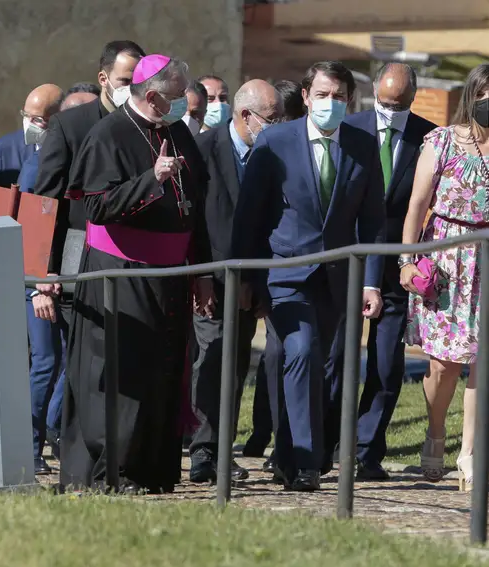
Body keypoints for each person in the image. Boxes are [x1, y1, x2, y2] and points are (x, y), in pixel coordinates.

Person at [61, 54, 214, 494]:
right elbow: (95, 206)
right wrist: (151, 179)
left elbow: (195, 208)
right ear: (151, 95)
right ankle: (113, 473)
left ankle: (152, 473)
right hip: (120, 273)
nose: (183, 107)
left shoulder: (176, 130)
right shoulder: (107, 134)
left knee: (163, 370)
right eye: (175, 98)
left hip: (170, 274)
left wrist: (200, 271)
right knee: (122, 375)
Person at [231, 61, 385, 492]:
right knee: (300, 351)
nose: (329, 103)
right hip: (284, 273)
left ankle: (286, 458)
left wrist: (371, 280)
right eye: (322, 94)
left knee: (319, 364)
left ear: (349, 100)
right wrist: (245, 275)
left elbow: (371, 220)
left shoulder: (363, 145)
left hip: (335, 278)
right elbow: (250, 214)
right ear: (305, 96)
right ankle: (304, 462)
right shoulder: (276, 141)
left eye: (338, 96)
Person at [400, 63, 489, 491]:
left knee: (487, 362)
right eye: (482, 96)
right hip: (446, 263)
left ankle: (470, 455)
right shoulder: (440, 142)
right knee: (444, 364)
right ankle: (436, 433)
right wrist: (407, 260)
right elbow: (416, 204)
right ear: (469, 97)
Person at [31, 40, 144, 465]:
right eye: (124, 82)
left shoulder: (145, 125)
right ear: (103, 79)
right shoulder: (70, 126)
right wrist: (43, 273)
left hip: (134, 261)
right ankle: (68, 443)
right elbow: (46, 204)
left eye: (138, 82)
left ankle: (115, 449)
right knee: (80, 362)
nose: (131, 90)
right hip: (77, 259)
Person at [334, 63, 437, 481]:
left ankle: (365, 450)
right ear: (373, 90)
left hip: (398, 263)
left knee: (385, 363)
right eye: (384, 103)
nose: (390, 112)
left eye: (400, 105)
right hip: (346, 258)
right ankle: (325, 443)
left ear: (413, 98)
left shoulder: (428, 138)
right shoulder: (346, 128)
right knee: (335, 358)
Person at [189, 79, 282, 484]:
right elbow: (195, 222)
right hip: (211, 279)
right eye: (273, 118)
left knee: (237, 364)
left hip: (250, 283)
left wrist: (259, 284)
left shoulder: (275, 154)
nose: (280, 126)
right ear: (246, 116)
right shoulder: (204, 151)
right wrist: (203, 277)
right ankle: (203, 453)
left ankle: (220, 450)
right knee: (212, 361)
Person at [242, 77, 310, 467]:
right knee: (274, 356)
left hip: (291, 272)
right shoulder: (265, 150)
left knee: (286, 353)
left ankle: (284, 442)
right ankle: (263, 432)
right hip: (267, 269)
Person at [11, 84, 66, 475]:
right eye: (30, 116)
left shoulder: (54, 151)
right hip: (37, 279)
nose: (33, 125)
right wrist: (36, 284)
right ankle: (30, 446)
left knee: (63, 361)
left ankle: (52, 429)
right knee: (46, 361)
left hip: (62, 274)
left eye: (41, 119)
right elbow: (32, 222)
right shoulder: (37, 159)